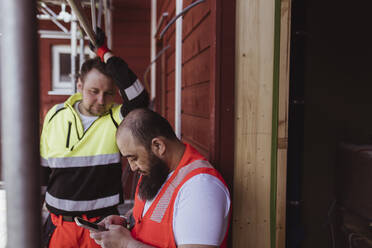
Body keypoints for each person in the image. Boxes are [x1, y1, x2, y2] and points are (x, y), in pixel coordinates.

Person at [40, 29, 149, 248]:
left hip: (101, 228)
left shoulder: (117, 117)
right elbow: (42, 168)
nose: (101, 100)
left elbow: (138, 97)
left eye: (109, 93)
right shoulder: (55, 114)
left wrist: (104, 52)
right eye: (93, 91)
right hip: (60, 226)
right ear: (79, 86)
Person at [90, 108, 231, 248]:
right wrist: (124, 222)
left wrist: (125, 244)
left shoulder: (200, 188)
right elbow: (146, 214)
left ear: (158, 146)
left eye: (134, 158)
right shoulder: (155, 169)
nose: (132, 167)